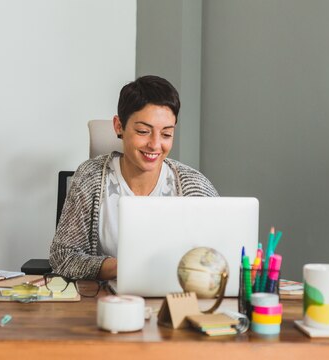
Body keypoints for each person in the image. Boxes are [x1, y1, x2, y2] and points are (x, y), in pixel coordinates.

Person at [49, 75, 218, 281]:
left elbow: (216, 259)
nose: (155, 145)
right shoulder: (90, 177)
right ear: (119, 126)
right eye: (143, 131)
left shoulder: (195, 186)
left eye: (166, 134)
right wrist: (122, 267)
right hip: (106, 301)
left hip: (175, 301)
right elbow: (63, 257)